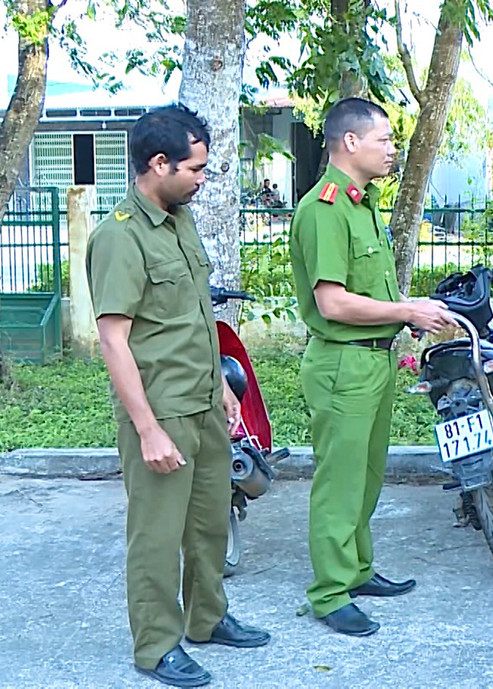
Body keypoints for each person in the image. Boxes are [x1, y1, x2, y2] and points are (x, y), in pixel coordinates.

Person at [86, 104, 270, 688]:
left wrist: (221, 386)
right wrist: (146, 429)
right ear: (158, 163)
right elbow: (114, 340)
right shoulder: (119, 236)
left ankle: (207, 618)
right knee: (157, 537)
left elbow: (191, 315)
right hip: (160, 410)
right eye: (194, 168)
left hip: (202, 400)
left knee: (210, 521)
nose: (202, 179)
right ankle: (157, 646)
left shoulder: (179, 217)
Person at [289, 97, 455, 637]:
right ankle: (330, 592)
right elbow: (333, 303)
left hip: (374, 362)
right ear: (350, 142)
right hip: (342, 365)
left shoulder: (362, 207)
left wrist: (402, 326)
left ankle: (356, 571)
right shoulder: (325, 208)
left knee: (366, 477)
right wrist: (407, 310)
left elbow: (371, 292)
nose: (392, 148)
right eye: (383, 139)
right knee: (339, 481)